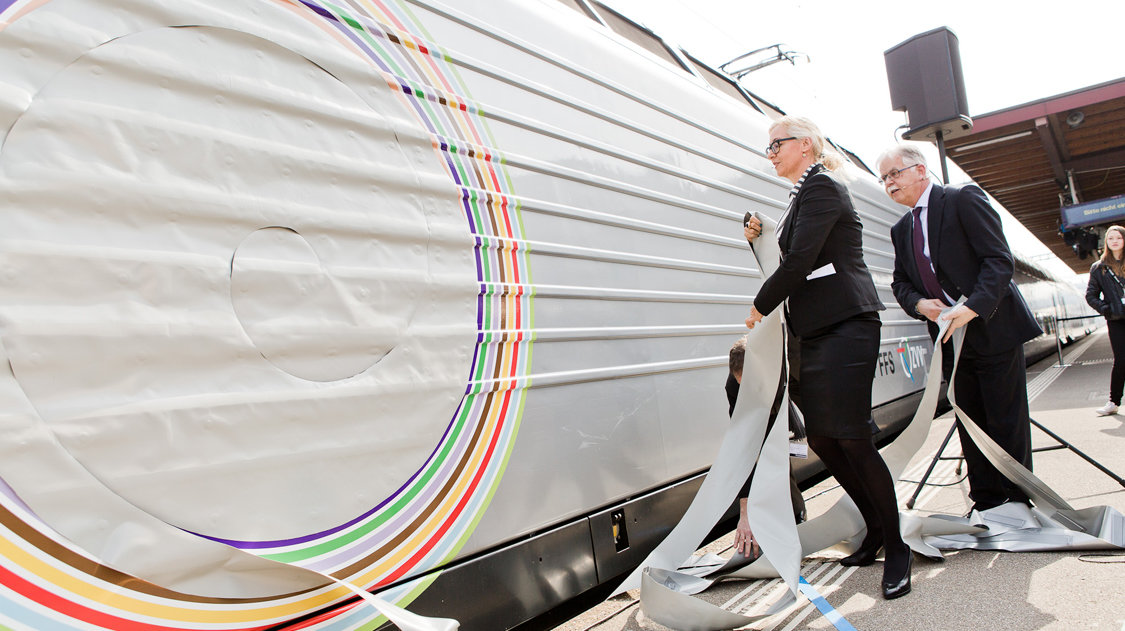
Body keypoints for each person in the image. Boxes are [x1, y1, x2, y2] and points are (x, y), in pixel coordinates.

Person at [742, 116, 911, 599]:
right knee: (824, 439)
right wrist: (762, 234)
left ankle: (895, 546)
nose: (770, 152)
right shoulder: (800, 196)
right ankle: (875, 529)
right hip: (813, 330)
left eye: (778, 144)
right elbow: (792, 253)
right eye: (768, 146)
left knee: (854, 438)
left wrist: (758, 307)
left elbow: (798, 264)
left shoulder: (823, 188)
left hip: (846, 324)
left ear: (807, 144)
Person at [877, 143, 1042, 516]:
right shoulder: (901, 229)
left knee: (1005, 419)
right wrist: (920, 304)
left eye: (894, 173)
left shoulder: (962, 199)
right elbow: (901, 282)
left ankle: (1018, 503)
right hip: (950, 341)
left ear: (921, 170)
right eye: (884, 177)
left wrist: (971, 308)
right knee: (969, 421)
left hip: (992, 328)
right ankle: (986, 503)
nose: (889, 183)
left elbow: (998, 261)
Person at [726, 335, 806, 556]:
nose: (746, 390)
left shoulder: (783, 366)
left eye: (750, 384)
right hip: (759, 410)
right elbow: (742, 445)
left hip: (779, 406)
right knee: (759, 457)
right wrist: (744, 511)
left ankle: (797, 514)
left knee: (778, 460)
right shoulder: (734, 387)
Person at [1085, 225, 1125, 416]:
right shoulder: (1099, 268)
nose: (1115, 241)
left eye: (1118, 237)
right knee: (1121, 360)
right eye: (1111, 238)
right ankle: (1113, 402)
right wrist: (1106, 309)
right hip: (1116, 319)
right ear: (1106, 242)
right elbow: (1090, 295)